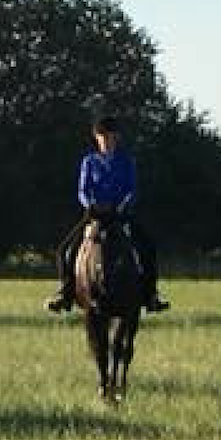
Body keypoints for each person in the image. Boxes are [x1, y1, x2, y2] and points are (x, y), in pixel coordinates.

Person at [45, 114, 169, 314]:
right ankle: (65, 292)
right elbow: (82, 190)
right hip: (95, 215)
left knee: (148, 247)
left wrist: (123, 206)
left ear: (116, 138)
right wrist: (90, 205)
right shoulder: (89, 162)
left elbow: (133, 189)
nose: (107, 141)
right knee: (65, 250)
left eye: (110, 137)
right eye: (103, 137)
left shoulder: (127, 161)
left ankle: (150, 294)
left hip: (120, 215)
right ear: (96, 138)